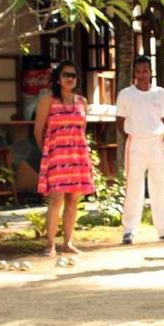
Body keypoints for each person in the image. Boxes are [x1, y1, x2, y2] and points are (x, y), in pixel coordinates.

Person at [116, 55, 164, 245]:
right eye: (138, 71)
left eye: (145, 71)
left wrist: (161, 137)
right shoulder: (126, 94)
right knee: (134, 186)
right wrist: (130, 137)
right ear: (134, 73)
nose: (142, 75)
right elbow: (119, 120)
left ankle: (163, 229)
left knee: (159, 185)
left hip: (156, 143)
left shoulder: (160, 93)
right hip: (136, 142)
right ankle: (129, 230)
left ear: (150, 72)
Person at [34, 61, 95, 256]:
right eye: (66, 75)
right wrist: (47, 153)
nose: (70, 78)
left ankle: (67, 242)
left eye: (73, 75)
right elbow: (38, 130)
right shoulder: (48, 101)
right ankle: (50, 244)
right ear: (58, 79)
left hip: (77, 156)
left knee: (73, 199)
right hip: (56, 156)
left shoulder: (82, 102)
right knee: (56, 199)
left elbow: (82, 130)